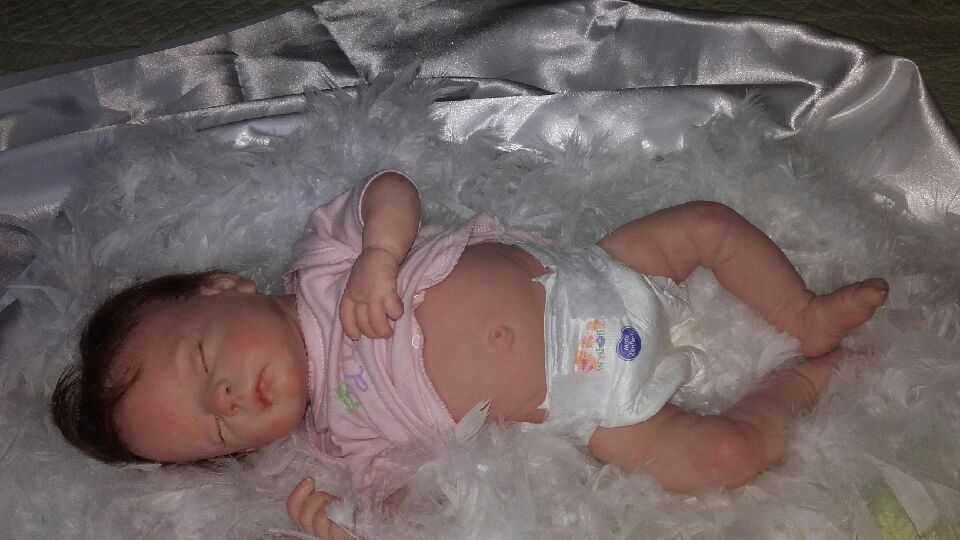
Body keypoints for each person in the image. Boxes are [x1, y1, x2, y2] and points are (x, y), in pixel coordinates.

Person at [50, 170, 888, 539]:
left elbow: (390, 188)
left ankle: (802, 314)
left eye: (203, 364)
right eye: (216, 431)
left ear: (225, 287)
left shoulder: (326, 265)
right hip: (596, 406)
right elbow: (421, 498)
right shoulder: (343, 441)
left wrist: (380, 254)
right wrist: (358, 523)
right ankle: (803, 382)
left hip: (597, 272)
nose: (227, 399)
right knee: (722, 458)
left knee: (706, 222)